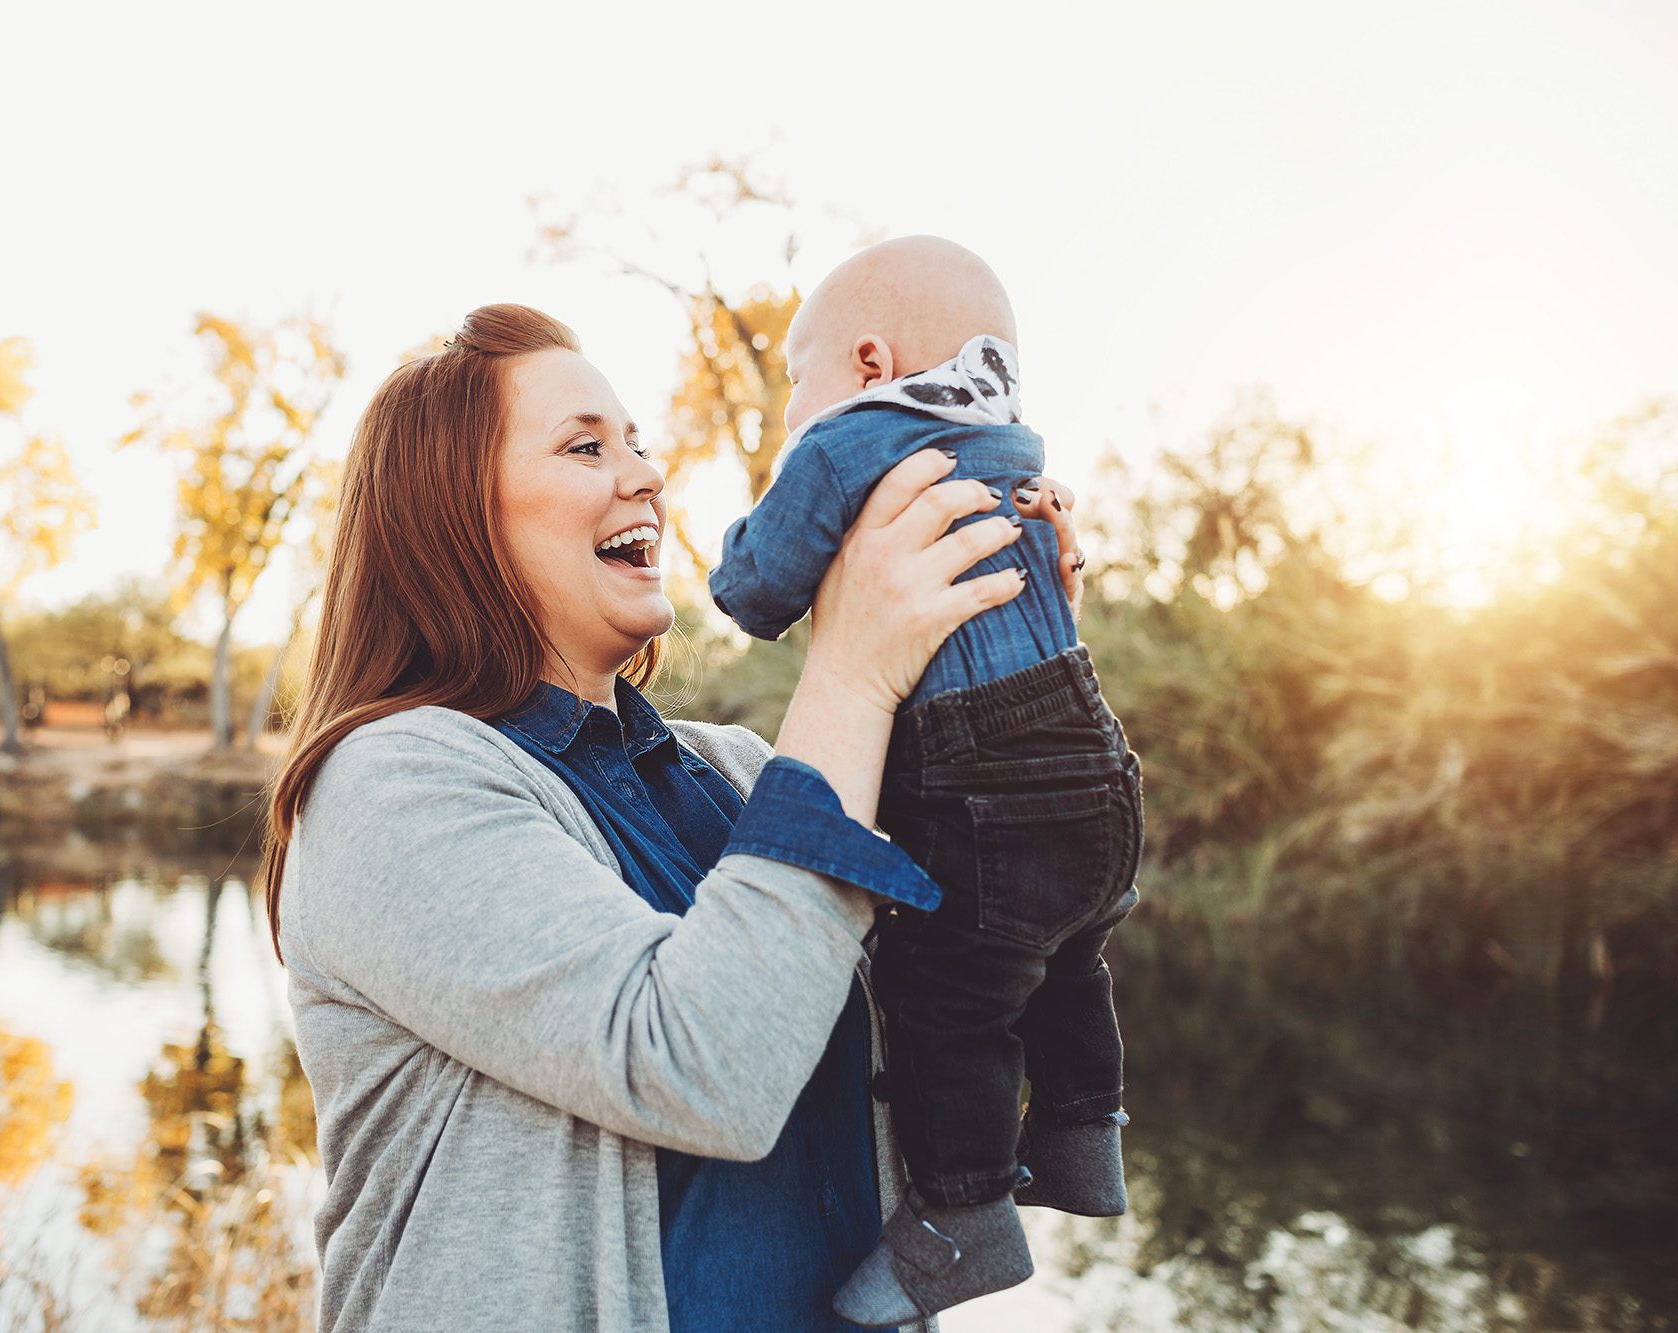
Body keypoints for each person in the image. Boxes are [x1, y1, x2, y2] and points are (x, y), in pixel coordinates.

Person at [257, 303, 1084, 1332]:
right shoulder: (387, 787)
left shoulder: (736, 775)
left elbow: (992, 954)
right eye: (584, 445)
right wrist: (852, 667)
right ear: (451, 516)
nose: (644, 472)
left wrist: (1008, 664)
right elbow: (701, 1067)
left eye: (637, 441)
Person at [709, 236, 1144, 1326]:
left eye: (796, 383)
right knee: (1066, 949)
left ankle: (961, 1217)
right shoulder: (1013, 446)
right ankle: (1084, 1136)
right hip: (1096, 760)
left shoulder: (855, 439)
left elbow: (755, 589)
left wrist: (747, 527)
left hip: (981, 776)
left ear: (866, 360)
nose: (792, 412)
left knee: (945, 993)